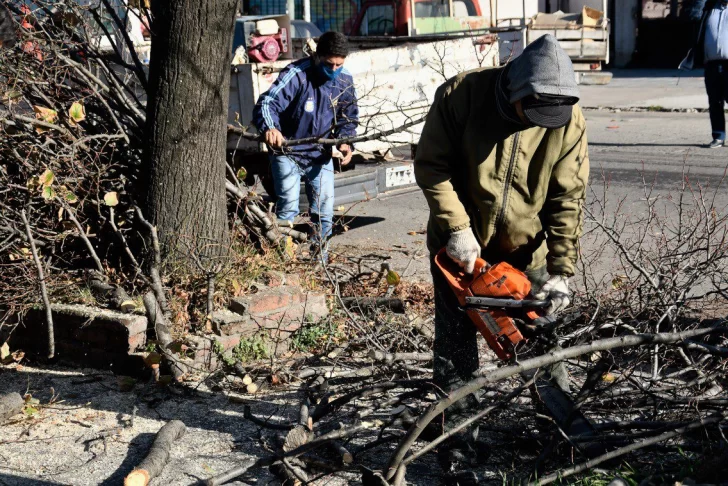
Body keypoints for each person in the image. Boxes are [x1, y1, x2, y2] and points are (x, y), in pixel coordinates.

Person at [414, 34, 589, 476]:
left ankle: (559, 442)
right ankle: (459, 454)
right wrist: (456, 227)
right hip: (460, 253)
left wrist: (560, 270)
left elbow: (567, 196)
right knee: (457, 352)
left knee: (541, 347)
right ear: (514, 90)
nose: (539, 122)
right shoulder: (462, 95)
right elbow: (431, 164)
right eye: (531, 112)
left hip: (525, 252)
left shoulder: (567, 119)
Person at [252, 31, 359, 261]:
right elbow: (267, 103)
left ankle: (318, 265)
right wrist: (271, 128)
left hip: (319, 156)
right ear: (318, 56)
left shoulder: (344, 80)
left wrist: (345, 142)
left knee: (324, 214)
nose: (333, 70)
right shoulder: (296, 75)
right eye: (329, 64)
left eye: (339, 65)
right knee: (287, 213)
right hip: (287, 153)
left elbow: (348, 117)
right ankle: (285, 263)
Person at [680, 0, 728, 148]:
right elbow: (689, 16)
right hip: (712, 64)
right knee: (715, 102)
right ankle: (718, 136)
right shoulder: (707, 8)